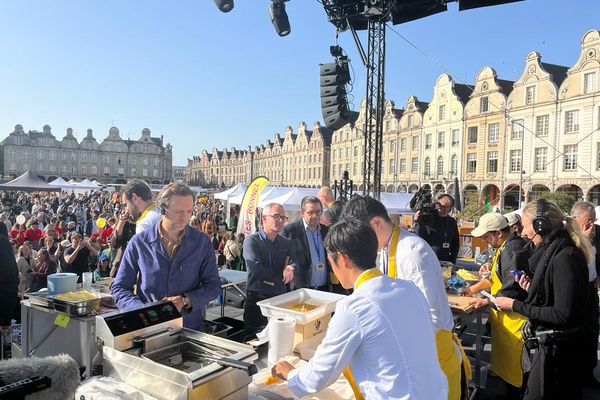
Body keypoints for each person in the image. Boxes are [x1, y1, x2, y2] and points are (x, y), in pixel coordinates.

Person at [271, 220, 447, 399]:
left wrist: (290, 373)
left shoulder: (354, 307)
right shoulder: (409, 288)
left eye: (331, 261)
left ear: (343, 258)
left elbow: (316, 378)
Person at [342, 195, 466, 400]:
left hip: (434, 358)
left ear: (376, 224)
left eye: (361, 236)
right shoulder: (384, 249)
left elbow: (431, 318)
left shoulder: (413, 254)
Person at [493, 199, 591, 399]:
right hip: (555, 349)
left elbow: (563, 314)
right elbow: (556, 298)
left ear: (541, 225)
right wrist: (533, 289)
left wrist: (515, 305)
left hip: (561, 355)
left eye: (525, 226)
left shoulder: (565, 256)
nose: (522, 232)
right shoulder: (557, 251)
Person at [112, 183, 221, 331]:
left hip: (189, 328)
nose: (185, 217)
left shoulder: (202, 242)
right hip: (149, 329)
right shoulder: (139, 242)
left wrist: (185, 300)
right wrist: (142, 310)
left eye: (189, 211)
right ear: (163, 209)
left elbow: (213, 286)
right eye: (179, 212)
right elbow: (120, 288)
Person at [464, 213, 529, 394]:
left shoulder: (512, 250)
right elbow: (494, 278)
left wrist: (485, 302)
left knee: (516, 377)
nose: (484, 240)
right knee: (506, 372)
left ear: (499, 233)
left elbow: (511, 289)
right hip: (503, 319)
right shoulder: (504, 247)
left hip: (514, 320)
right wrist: (474, 288)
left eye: (486, 236)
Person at [242, 203, 296, 336]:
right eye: (276, 216)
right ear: (264, 218)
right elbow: (256, 269)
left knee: (279, 338)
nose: (280, 221)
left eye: (283, 218)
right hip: (258, 298)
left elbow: (296, 260)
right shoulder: (251, 241)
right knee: (254, 338)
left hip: (279, 298)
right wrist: (281, 276)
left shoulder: (285, 242)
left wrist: (290, 267)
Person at [570, 201, 600, 387]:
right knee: (575, 333)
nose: (591, 225)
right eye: (588, 220)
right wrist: (585, 239)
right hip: (575, 289)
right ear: (575, 218)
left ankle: (589, 372)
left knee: (592, 331)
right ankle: (573, 374)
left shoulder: (598, 231)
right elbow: (571, 257)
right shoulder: (568, 234)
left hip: (591, 288)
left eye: (593, 220)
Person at [282, 196, 330, 290]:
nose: (315, 216)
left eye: (318, 212)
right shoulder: (290, 231)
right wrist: (289, 267)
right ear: (302, 213)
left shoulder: (327, 231)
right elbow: (282, 259)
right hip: (301, 288)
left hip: (324, 288)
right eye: (310, 212)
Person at [414, 193, 460, 264]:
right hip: (428, 261)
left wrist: (453, 261)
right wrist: (418, 221)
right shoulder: (427, 218)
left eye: (446, 207)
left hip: (446, 262)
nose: (443, 209)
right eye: (441, 206)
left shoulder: (452, 222)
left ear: (451, 208)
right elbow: (418, 238)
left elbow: (455, 243)